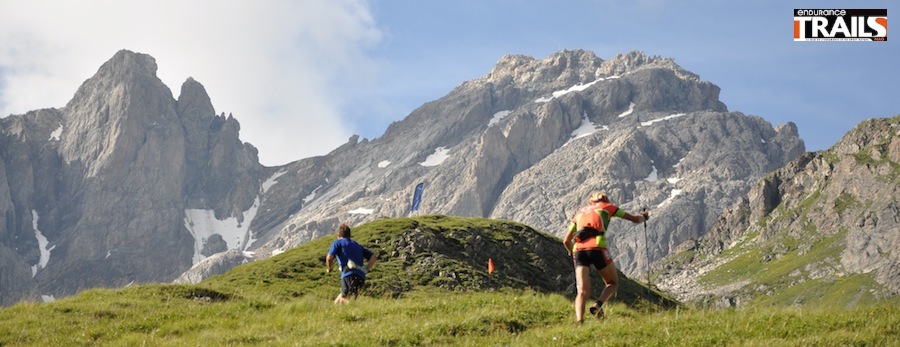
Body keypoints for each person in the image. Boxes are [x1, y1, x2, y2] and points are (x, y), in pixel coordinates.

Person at [562, 192, 648, 323]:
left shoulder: (580, 212)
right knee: (612, 283)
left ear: (591, 201)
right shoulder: (607, 207)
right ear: (605, 199)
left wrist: (570, 252)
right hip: (597, 247)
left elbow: (566, 240)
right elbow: (635, 219)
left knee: (582, 291)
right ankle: (598, 305)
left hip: (579, 250)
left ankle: (579, 321)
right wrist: (644, 217)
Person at [325, 223, 378, 304]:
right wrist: (366, 269)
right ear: (350, 235)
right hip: (360, 276)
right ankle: (334, 308)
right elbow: (374, 257)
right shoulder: (358, 246)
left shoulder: (338, 243)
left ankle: (353, 306)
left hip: (348, 274)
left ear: (339, 234)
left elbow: (329, 257)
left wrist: (329, 268)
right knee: (344, 297)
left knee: (344, 298)